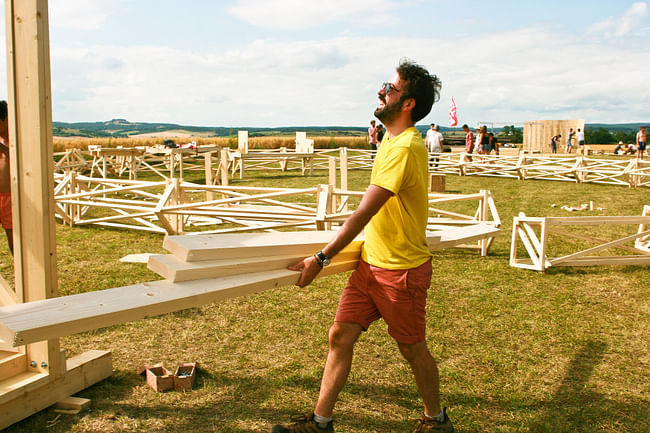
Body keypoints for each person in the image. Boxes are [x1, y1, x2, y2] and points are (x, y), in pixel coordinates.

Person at [272, 59, 453, 433]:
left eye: (389, 88)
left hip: (401, 272)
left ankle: (436, 421)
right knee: (340, 335)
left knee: (412, 349)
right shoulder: (389, 138)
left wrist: (321, 258)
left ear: (408, 104)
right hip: (370, 265)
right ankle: (320, 423)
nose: (380, 91)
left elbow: (364, 213)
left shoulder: (405, 148)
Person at [0, 101, 13, 254]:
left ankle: (21, 275)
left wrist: (3, 149)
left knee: (14, 242)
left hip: (10, 197)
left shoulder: (15, 139)